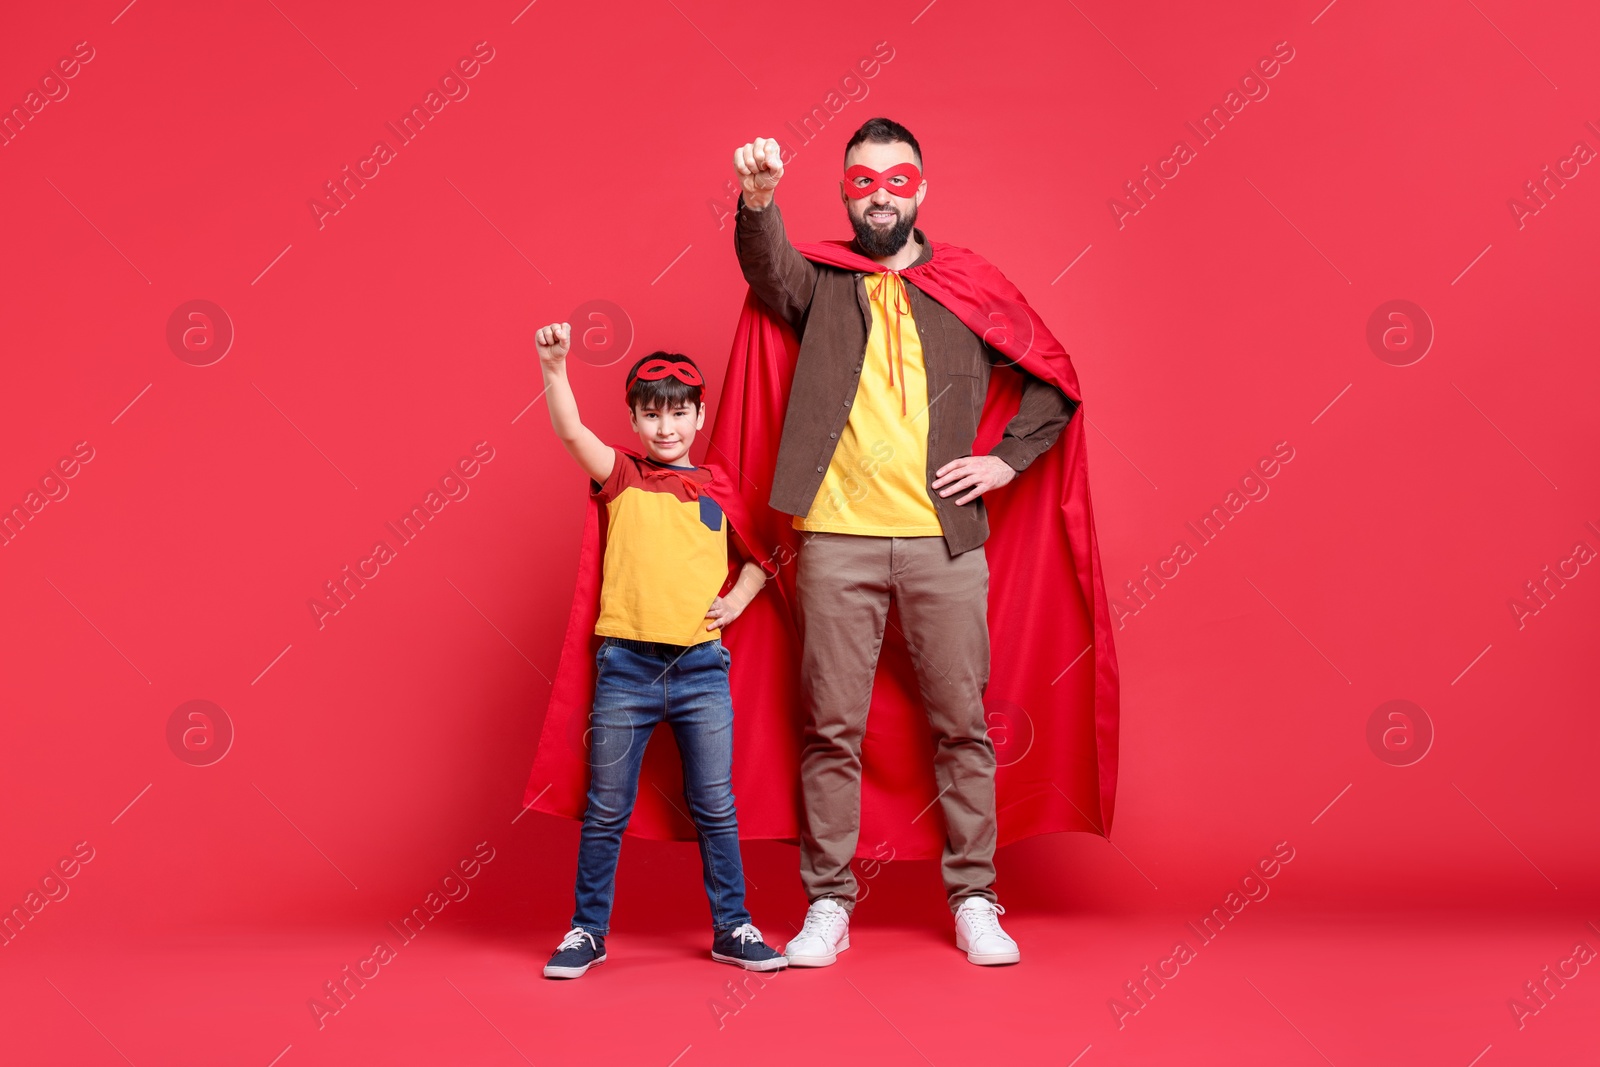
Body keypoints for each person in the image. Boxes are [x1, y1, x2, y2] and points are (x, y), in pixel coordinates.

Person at [730, 118, 1079, 967]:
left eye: (896, 180)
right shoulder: (819, 278)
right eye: (861, 181)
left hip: (942, 541)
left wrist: (1003, 462)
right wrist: (758, 201)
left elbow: (1056, 375)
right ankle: (827, 902)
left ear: (921, 189)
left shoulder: (966, 283)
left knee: (963, 724)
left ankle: (975, 896)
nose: (880, 194)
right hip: (836, 540)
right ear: (845, 189)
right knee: (830, 726)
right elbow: (766, 268)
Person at [532, 321, 786, 979]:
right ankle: (587, 930)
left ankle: (732, 925)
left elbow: (765, 556)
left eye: (678, 411)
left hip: (701, 669)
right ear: (635, 418)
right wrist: (556, 371)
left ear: (699, 415)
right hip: (627, 668)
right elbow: (570, 434)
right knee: (606, 805)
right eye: (652, 412)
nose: (666, 425)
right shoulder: (620, 474)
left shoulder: (718, 488)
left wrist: (738, 599)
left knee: (715, 804)